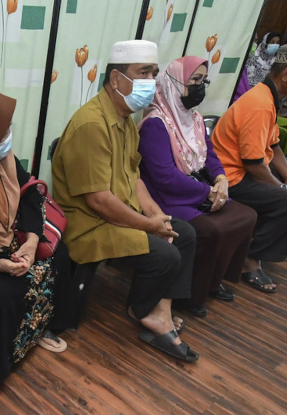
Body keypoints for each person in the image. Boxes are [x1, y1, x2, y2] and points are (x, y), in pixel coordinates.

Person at [52, 39, 199, 362]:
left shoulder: (125, 119)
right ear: (116, 79)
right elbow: (99, 201)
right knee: (166, 255)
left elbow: (133, 178)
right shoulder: (92, 124)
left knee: (183, 233)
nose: (150, 81)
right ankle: (144, 311)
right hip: (89, 224)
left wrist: (156, 214)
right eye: (142, 72)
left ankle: (159, 309)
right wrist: (148, 225)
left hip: (118, 214)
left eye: (154, 73)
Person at [0, 87, 69, 383]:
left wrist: (33, 240)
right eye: (3, 127)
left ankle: (38, 331)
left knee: (58, 257)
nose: (8, 133)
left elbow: (31, 192)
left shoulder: (1, 157)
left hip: (13, 241)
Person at [137, 56, 257, 317]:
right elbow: (165, 177)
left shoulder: (195, 118)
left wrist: (221, 179)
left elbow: (209, 155)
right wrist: (208, 192)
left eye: (203, 80)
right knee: (210, 229)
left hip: (195, 188)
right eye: (195, 80)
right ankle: (190, 294)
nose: (200, 86)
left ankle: (213, 281)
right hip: (166, 197)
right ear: (175, 83)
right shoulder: (156, 124)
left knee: (245, 216)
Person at [210, 42, 287, 294]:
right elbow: (254, 166)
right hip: (230, 177)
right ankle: (249, 258)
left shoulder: (269, 98)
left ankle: (253, 240)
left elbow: (273, 146)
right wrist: (284, 189)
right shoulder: (259, 104)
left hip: (247, 170)